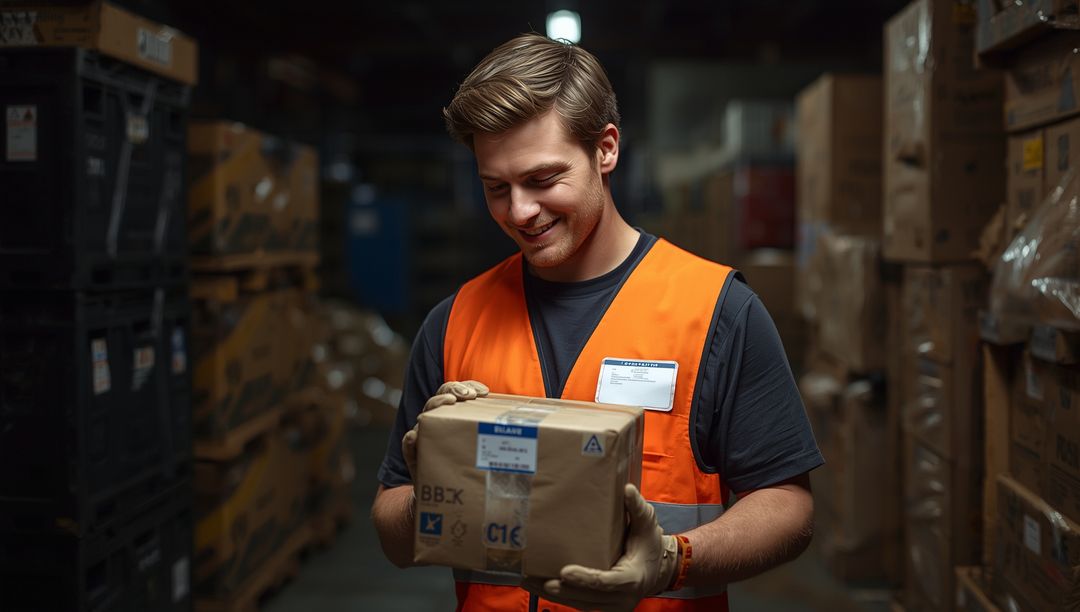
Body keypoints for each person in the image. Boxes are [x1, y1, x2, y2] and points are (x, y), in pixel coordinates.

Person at [371, 32, 823, 612]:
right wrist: (431, 493)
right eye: (496, 188)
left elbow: (789, 507)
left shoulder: (716, 312)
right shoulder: (454, 322)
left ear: (606, 149)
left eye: (542, 180)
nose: (519, 212)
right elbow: (394, 536)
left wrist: (672, 560)